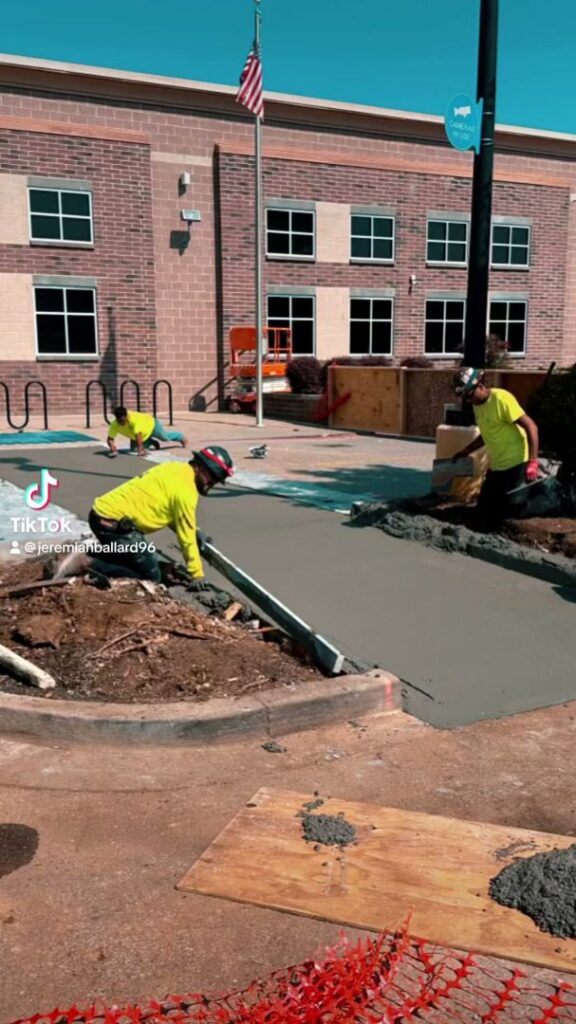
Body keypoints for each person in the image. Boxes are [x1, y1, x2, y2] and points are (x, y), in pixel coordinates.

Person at [54, 446, 234, 588]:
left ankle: (90, 554)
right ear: (201, 468)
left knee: (134, 559)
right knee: (151, 577)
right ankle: (88, 563)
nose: (213, 484)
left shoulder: (173, 468)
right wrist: (197, 575)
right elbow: (185, 538)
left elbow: (172, 513)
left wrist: (196, 531)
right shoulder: (186, 491)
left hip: (101, 516)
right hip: (114, 526)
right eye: (214, 478)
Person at [452, 367, 539, 531]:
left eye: (469, 396)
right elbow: (486, 434)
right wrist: (466, 451)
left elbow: (531, 426)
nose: (469, 401)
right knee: (483, 511)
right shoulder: (478, 405)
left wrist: (533, 462)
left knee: (507, 512)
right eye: (466, 398)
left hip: (517, 463)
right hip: (498, 466)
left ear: (479, 385)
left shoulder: (501, 399)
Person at [107, 406, 187, 457]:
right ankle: (151, 442)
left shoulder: (134, 419)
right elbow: (110, 438)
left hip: (152, 425)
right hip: (139, 434)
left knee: (165, 438)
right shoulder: (115, 424)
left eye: (122, 420)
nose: (121, 423)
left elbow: (138, 435)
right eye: (118, 420)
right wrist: (112, 446)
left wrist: (141, 450)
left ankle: (180, 436)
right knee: (134, 449)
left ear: (126, 416)